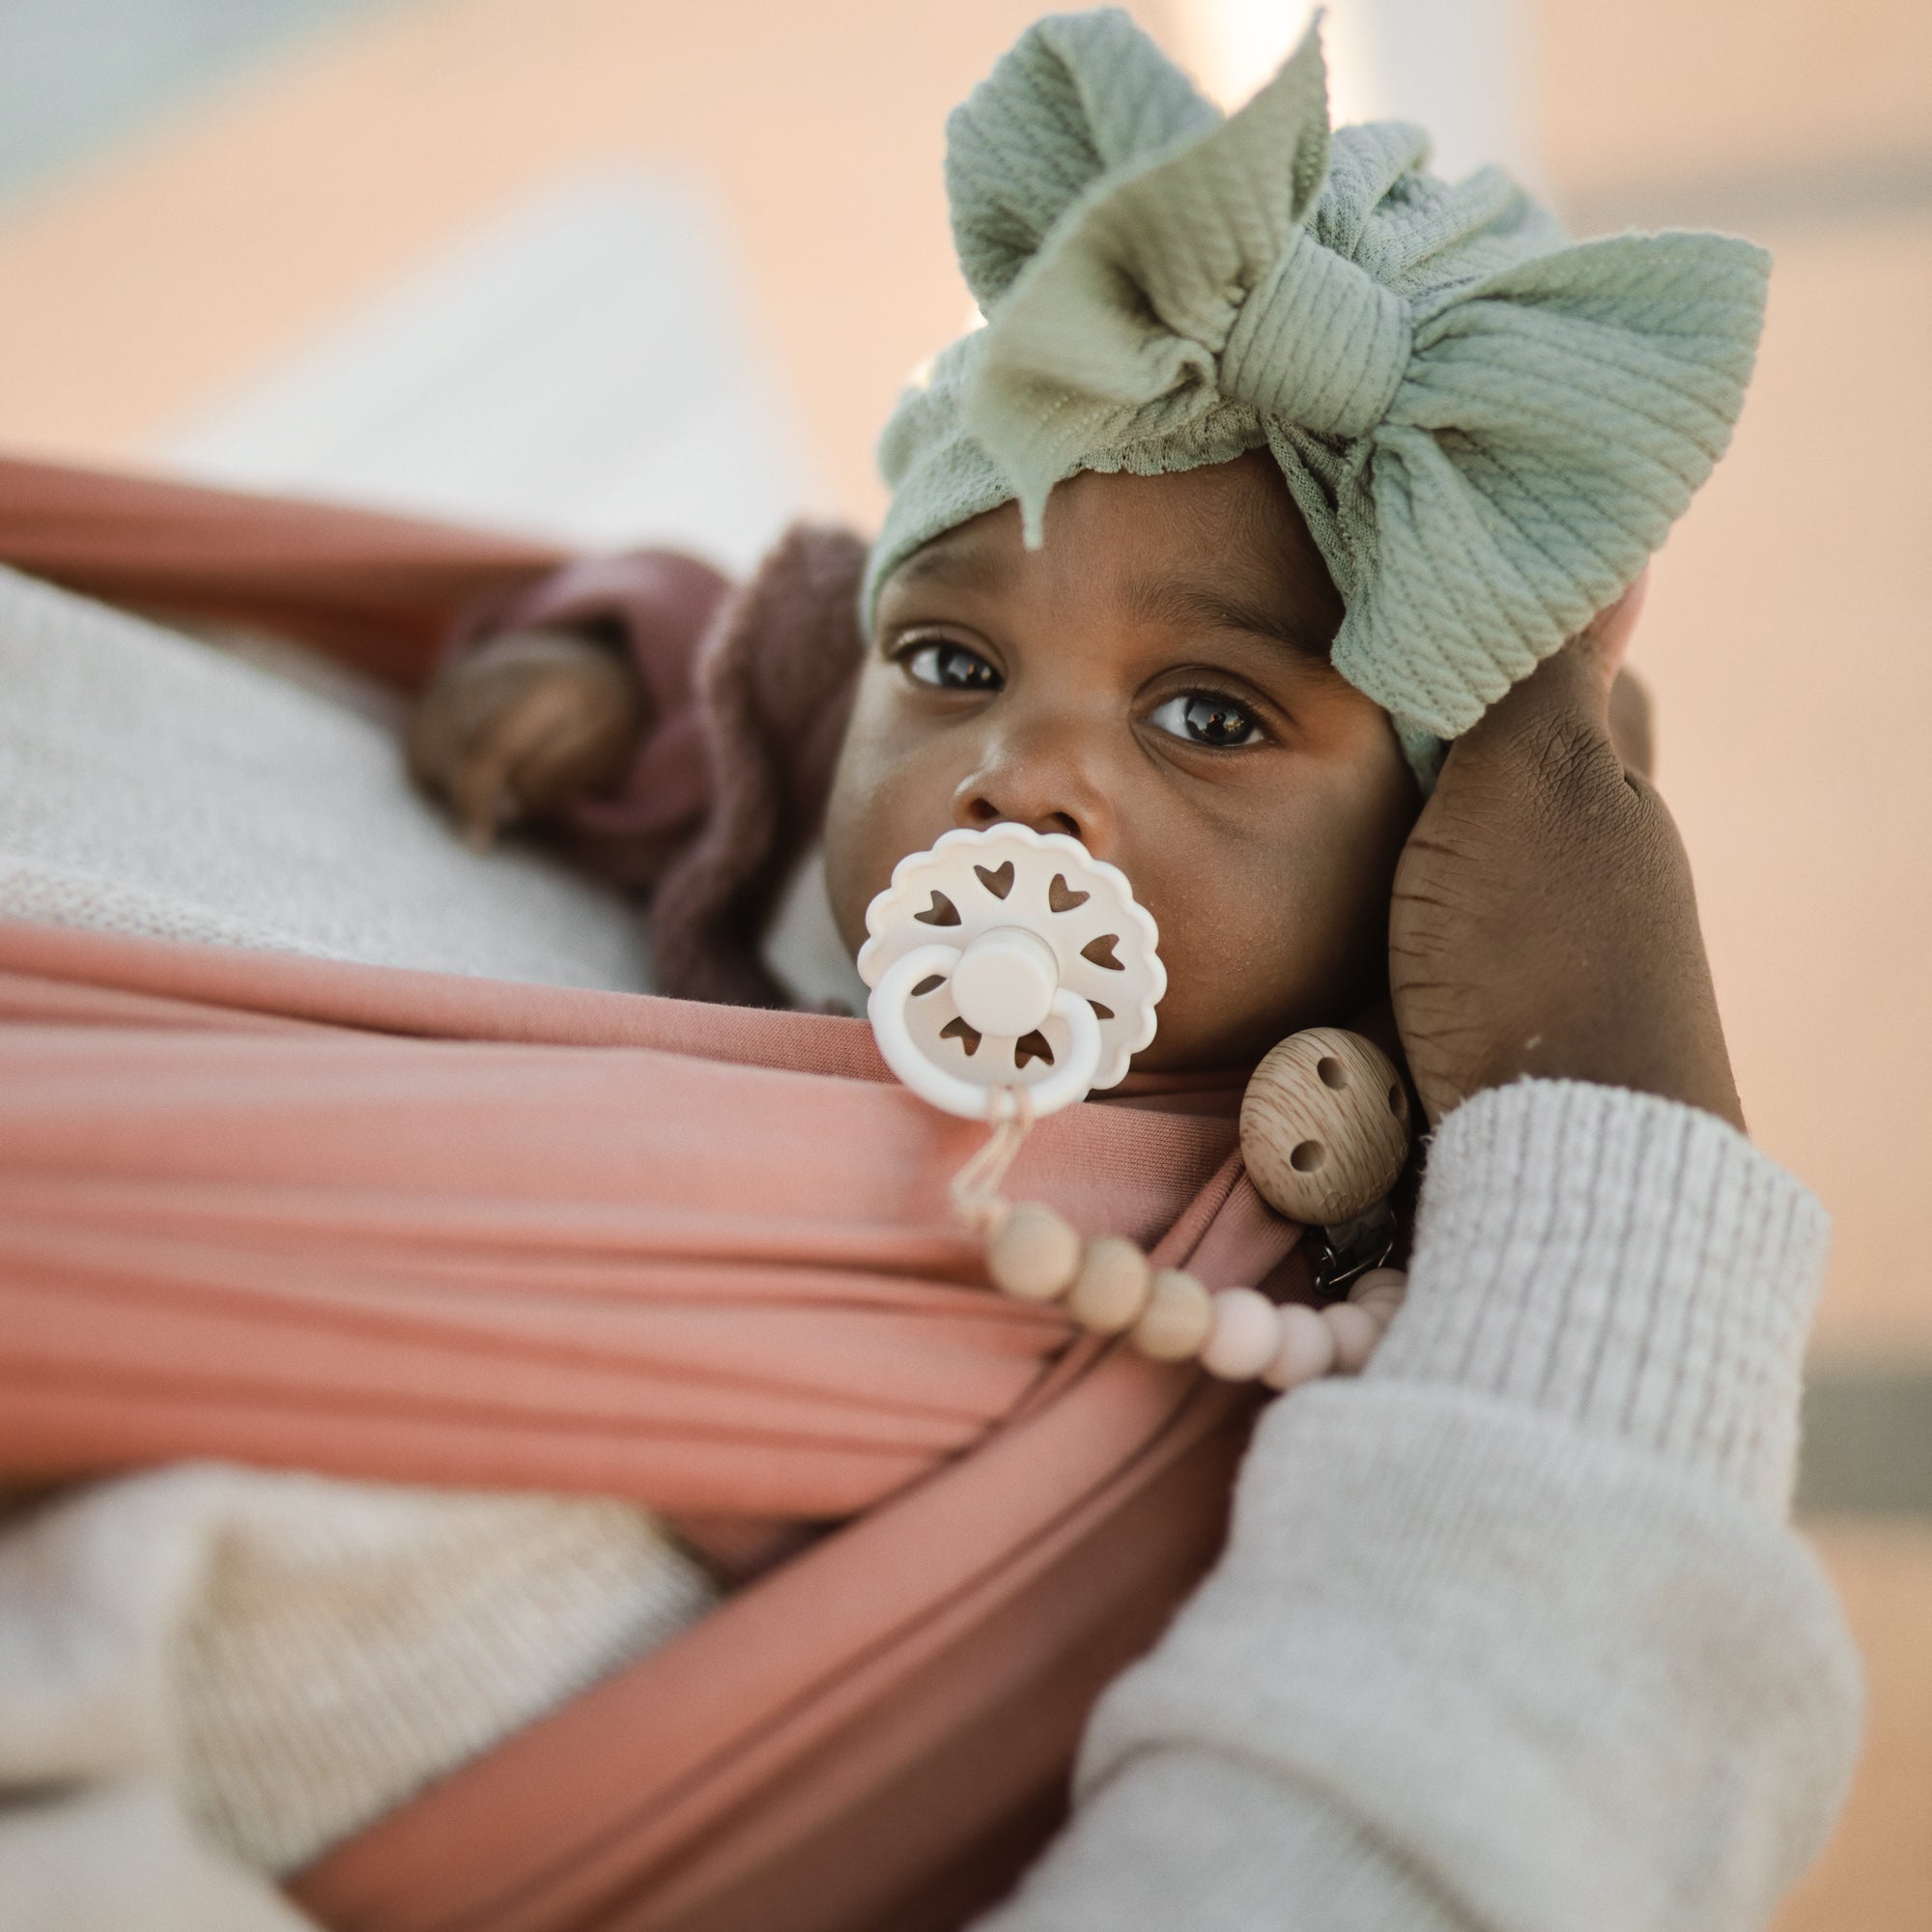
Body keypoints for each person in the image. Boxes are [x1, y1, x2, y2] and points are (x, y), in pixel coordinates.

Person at [0, 11, 1861, 1925]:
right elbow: (741, 680)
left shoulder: (1398, 1217)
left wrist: (1600, 1112)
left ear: (1430, 860)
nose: (1025, 769)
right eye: (958, 668)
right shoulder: (847, 885)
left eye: (1210, 716)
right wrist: (586, 672)